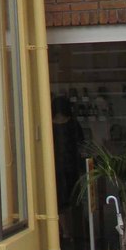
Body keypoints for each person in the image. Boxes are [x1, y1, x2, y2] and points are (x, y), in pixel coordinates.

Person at [52, 95, 85, 241]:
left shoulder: (49, 125)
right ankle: (74, 230)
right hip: (72, 167)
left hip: (55, 168)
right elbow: (81, 144)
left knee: (58, 201)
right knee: (73, 200)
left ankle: (63, 231)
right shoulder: (73, 125)